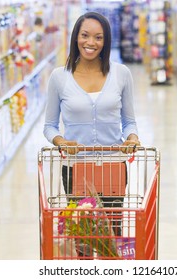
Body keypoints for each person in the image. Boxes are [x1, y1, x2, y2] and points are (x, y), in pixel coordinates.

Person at [43, 12, 140, 257]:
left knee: (112, 233)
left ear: (106, 41)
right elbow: (50, 126)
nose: (91, 42)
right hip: (76, 167)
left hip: (113, 165)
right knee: (83, 233)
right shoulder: (59, 77)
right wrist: (61, 141)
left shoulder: (121, 74)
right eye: (85, 35)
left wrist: (132, 138)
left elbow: (129, 121)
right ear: (76, 37)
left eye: (98, 37)